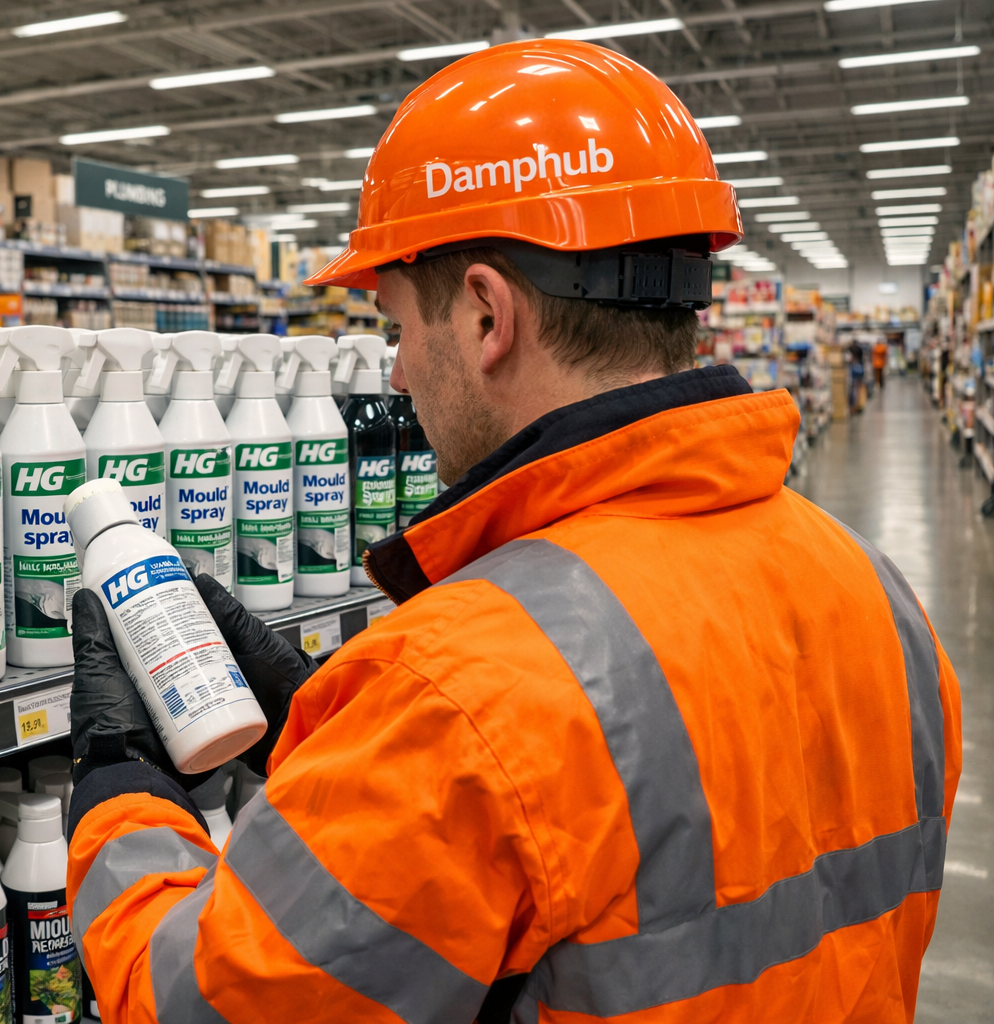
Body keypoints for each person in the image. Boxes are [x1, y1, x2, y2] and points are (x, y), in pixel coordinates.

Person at [62, 40, 961, 1024]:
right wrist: (338, 740)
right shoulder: (878, 589)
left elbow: (194, 1006)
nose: (396, 374)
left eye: (397, 327)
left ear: (487, 315)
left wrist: (121, 795)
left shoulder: (462, 689)